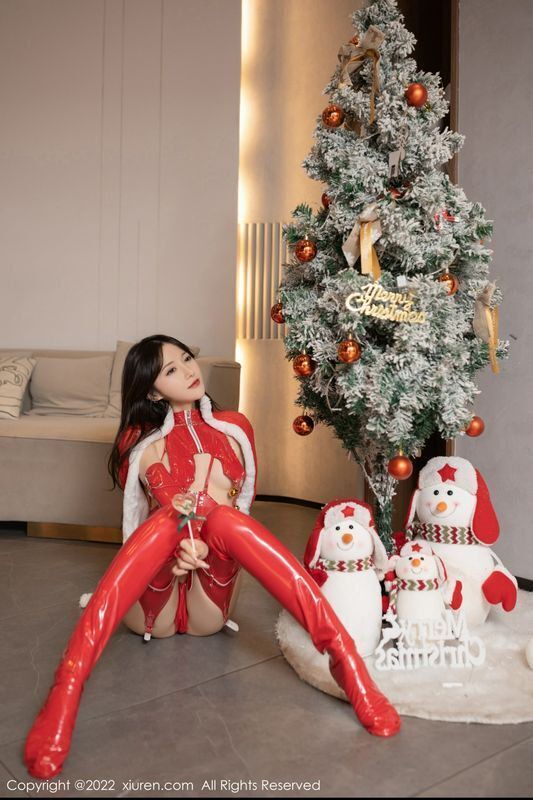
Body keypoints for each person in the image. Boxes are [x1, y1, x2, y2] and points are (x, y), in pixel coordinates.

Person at [23, 334, 400, 780]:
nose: (188, 370)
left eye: (186, 358)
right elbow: (156, 506)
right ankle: (65, 691)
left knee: (224, 519)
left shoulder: (235, 427)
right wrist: (180, 539)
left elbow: (237, 506)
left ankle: (346, 663)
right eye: (171, 370)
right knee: (168, 520)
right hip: (154, 602)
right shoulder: (138, 440)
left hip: (209, 597)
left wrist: (203, 539)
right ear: (151, 392)